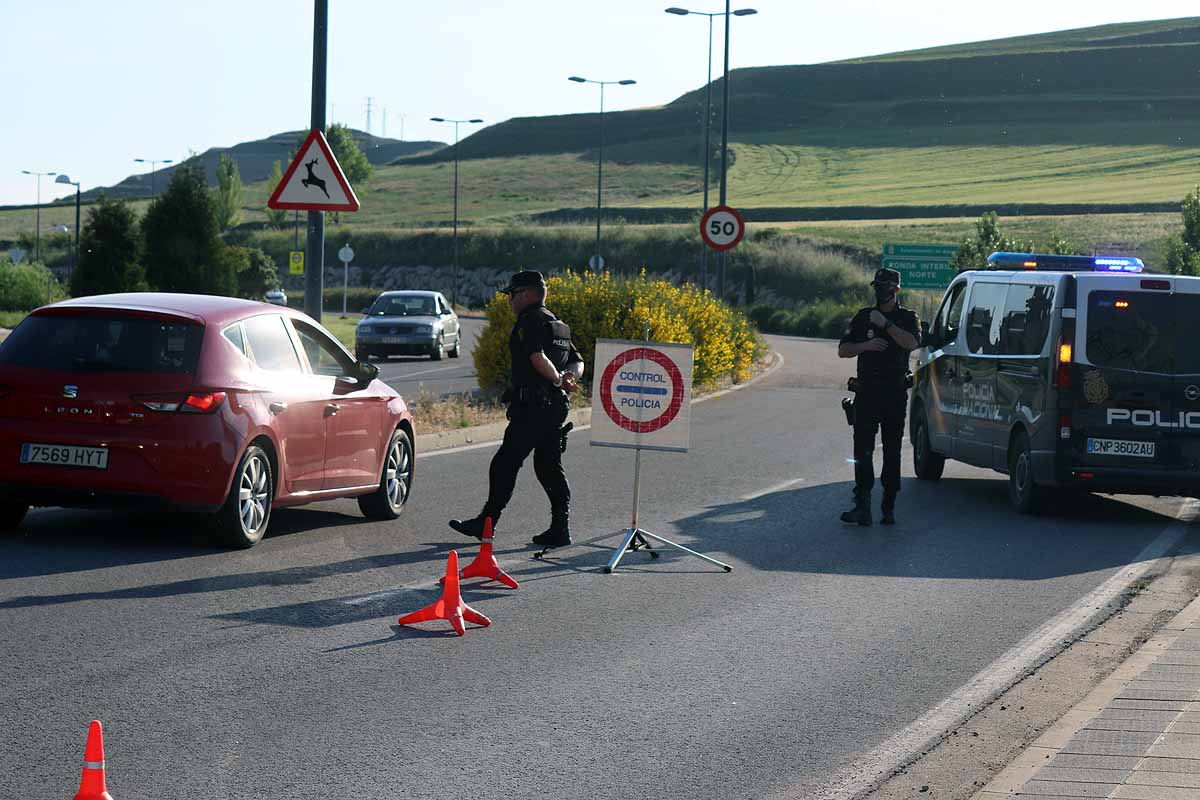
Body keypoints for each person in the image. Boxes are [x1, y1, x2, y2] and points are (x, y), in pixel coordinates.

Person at [449, 271, 585, 548]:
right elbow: (577, 361)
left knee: (505, 463)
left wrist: (557, 378)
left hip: (534, 405)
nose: (510, 300)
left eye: (512, 294)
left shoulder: (530, 319)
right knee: (548, 466)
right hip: (556, 406)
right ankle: (560, 527)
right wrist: (568, 378)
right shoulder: (558, 324)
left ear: (526, 294)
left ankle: (487, 523)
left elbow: (537, 356)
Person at [837, 267, 920, 526]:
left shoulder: (907, 317)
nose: (881, 292)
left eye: (886, 287)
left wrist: (886, 325)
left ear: (896, 290)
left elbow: (912, 343)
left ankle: (888, 505)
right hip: (867, 393)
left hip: (894, 395)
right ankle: (862, 505)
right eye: (878, 287)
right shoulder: (863, 317)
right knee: (862, 450)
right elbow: (843, 350)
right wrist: (866, 346)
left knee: (892, 452)